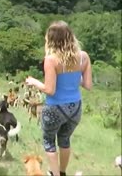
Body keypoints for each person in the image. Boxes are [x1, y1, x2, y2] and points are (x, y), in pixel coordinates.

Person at [25, 21, 92, 176]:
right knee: (64, 140)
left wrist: (34, 82)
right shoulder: (83, 57)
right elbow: (87, 85)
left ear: (51, 40)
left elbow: (50, 89)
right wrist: (74, 78)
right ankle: (62, 172)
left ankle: (55, 174)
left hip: (55, 108)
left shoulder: (51, 60)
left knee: (49, 142)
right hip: (75, 108)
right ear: (70, 37)